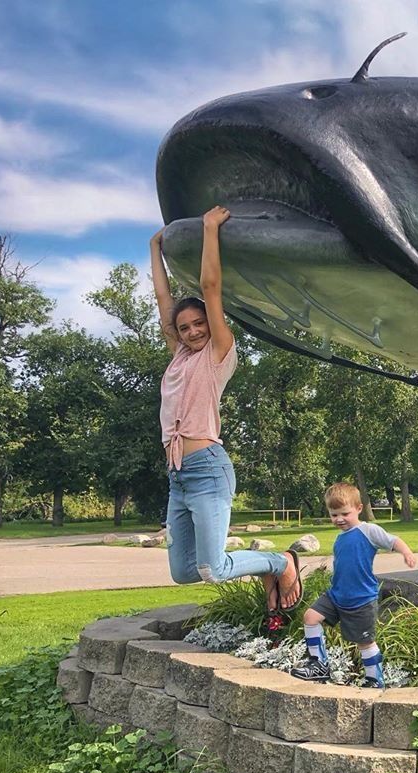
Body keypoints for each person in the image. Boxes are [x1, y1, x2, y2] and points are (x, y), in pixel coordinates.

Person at [151, 206, 300, 612]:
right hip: (178, 476)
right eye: (185, 327)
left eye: (199, 323)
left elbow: (210, 286)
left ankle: (279, 561)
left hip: (208, 470)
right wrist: (155, 249)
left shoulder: (217, 355)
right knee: (183, 572)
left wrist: (209, 228)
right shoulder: (179, 358)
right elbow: (163, 299)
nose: (193, 330)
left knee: (213, 567)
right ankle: (270, 566)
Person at [291, 482, 417, 686]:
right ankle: (319, 665)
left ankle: (375, 679)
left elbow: (393, 540)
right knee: (310, 617)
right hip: (336, 595)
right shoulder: (340, 538)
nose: (339, 519)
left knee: (364, 642)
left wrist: (407, 552)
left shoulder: (368, 531)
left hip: (361, 600)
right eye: (334, 515)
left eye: (344, 513)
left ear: (359, 509)